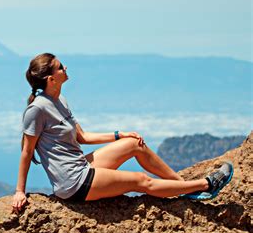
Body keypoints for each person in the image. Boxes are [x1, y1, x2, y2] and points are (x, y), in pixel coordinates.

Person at [12, 53, 234, 214]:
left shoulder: (60, 100)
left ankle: (184, 187)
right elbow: (26, 152)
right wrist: (20, 191)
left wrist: (121, 135)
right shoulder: (37, 109)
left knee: (134, 144)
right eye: (60, 67)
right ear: (51, 79)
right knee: (139, 180)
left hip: (82, 167)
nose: (65, 68)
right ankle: (206, 184)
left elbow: (83, 137)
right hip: (73, 183)